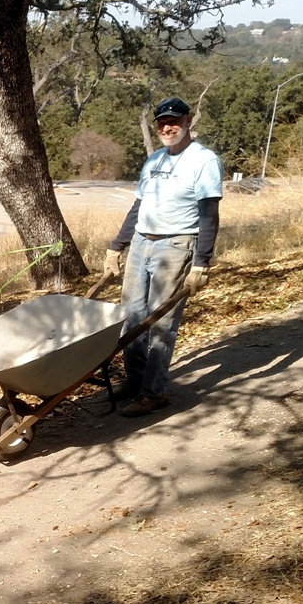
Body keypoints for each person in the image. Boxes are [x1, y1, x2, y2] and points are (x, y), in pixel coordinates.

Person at [104, 97, 223, 417]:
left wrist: (201, 263)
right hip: (142, 242)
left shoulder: (203, 160)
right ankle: (135, 378)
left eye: (174, 121)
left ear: (187, 122)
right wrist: (116, 247)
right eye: (161, 122)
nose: (167, 127)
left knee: (161, 322)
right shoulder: (154, 160)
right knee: (130, 316)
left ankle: (153, 392)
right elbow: (138, 206)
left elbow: (209, 214)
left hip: (176, 245)